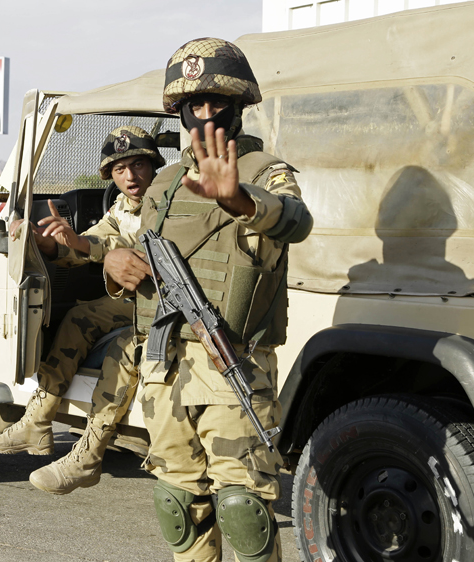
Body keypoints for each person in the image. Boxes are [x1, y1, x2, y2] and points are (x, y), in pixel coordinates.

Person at [102, 39, 313, 562]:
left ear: (238, 107)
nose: (203, 114)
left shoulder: (264, 171)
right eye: (192, 104)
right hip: (163, 368)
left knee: (242, 508)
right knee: (177, 502)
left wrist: (237, 198)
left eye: (215, 102)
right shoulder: (164, 183)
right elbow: (141, 254)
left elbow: (296, 221)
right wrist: (114, 263)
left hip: (230, 365)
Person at [0, 126, 165, 495]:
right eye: (120, 169)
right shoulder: (122, 207)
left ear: (153, 166)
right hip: (138, 298)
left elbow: (130, 249)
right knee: (79, 317)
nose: (130, 176)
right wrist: (52, 245)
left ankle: (90, 454)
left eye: (139, 165)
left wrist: (88, 245)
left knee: (125, 347)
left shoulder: (170, 199)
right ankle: (37, 421)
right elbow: (96, 240)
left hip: (169, 303)